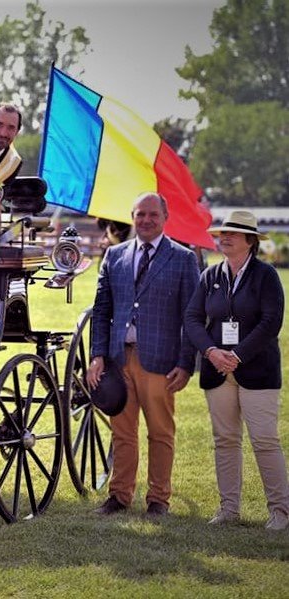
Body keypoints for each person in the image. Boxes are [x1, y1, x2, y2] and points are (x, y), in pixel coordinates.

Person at [86, 192, 199, 518]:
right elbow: (102, 309)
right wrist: (97, 356)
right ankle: (119, 496)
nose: (146, 220)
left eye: (152, 214)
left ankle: (158, 500)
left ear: (165, 217)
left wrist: (185, 363)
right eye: (140, 214)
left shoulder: (183, 258)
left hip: (161, 361)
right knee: (122, 432)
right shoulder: (114, 256)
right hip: (119, 359)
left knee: (161, 432)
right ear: (132, 217)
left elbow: (191, 315)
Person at [184, 210, 289, 530]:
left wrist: (238, 355)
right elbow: (192, 318)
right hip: (217, 371)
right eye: (221, 233)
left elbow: (271, 322)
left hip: (257, 371)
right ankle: (229, 509)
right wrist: (212, 352)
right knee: (225, 439)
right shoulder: (210, 276)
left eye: (232, 234)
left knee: (264, 440)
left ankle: (281, 511)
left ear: (250, 241)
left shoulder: (265, 276)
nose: (224, 237)